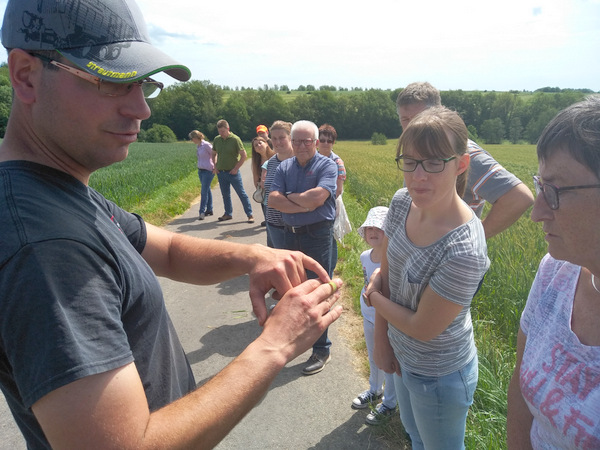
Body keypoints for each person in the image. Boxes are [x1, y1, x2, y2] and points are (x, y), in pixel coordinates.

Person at [0, 0, 343, 448]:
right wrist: (273, 347)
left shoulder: (55, 190)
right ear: (26, 75)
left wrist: (253, 255)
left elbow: (165, 249)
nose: (141, 109)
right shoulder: (47, 246)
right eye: (110, 82)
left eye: (143, 84)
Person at [364, 107, 490, 449]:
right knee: (415, 435)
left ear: (460, 165)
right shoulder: (403, 202)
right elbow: (387, 269)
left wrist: (373, 297)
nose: (418, 176)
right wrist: (382, 340)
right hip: (403, 356)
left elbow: (423, 327)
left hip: (438, 374)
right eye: (410, 161)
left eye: (434, 162)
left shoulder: (464, 248)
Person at [507, 97, 600, 449]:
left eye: (555, 191)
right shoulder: (555, 272)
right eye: (539, 186)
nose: (537, 212)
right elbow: (520, 381)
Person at [396, 82, 534, 239]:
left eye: (420, 117)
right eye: (405, 119)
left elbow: (519, 197)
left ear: (440, 112)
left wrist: (475, 236)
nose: (413, 126)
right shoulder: (413, 152)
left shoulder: (461, 153)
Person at [269, 120, 339, 375]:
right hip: (290, 235)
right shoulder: (284, 166)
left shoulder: (326, 165)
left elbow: (319, 197)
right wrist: (304, 204)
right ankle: (299, 338)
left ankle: (322, 348)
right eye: (296, 140)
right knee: (294, 288)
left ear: (316, 143)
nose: (300, 146)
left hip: (317, 235)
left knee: (318, 288)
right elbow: (273, 200)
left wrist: (294, 199)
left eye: (306, 141)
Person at [351, 206, 398, 426]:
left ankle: (389, 402)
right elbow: (365, 281)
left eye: (378, 227)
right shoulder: (364, 256)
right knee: (373, 355)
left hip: (387, 320)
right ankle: (374, 390)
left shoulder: (394, 262)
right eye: (369, 227)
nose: (373, 231)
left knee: (387, 359)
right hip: (369, 315)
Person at [212, 119, 254, 223]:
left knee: (241, 193)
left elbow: (244, 155)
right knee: (225, 194)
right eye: (219, 131)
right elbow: (213, 153)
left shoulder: (235, 139)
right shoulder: (217, 139)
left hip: (233, 173)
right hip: (221, 172)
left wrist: (236, 168)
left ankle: (250, 214)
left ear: (228, 129)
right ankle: (228, 214)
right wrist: (215, 166)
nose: (221, 134)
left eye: (223, 131)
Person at [317, 123, 348, 269]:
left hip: (330, 204)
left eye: (329, 141)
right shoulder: (312, 158)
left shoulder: (337, 162)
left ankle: (330, 269)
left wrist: (319, 201)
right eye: (322, 140)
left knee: (330, 237)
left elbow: (338, 190)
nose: (325, 143)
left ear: (333, 143)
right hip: (314, 203)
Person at [262, 120, 295, 248]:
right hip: (272, 224)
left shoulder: (298, 162)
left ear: (290, 138)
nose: (277, 142)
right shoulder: (271, 162)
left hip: (292, 226)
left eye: (282, 138)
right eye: (274, 138)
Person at [189, 130, 214, 220]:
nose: (192, 140)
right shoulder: (198, 146)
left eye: (192, 138)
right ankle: (210, 209)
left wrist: (215, 166)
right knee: (207, 190)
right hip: (201, 171)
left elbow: (214, 154)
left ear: (196, 137)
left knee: (203, 192)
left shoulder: (206, 145)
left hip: (208, 170)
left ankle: (201, 212)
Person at [251, 136, 275, 226]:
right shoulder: (256, 162)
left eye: (261, 142)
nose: (259, 145)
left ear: (266, 144)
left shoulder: (275, 156)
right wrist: (259, 191)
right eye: (256, 145)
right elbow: (255, 177)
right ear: (255, 150)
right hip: (264, 190)